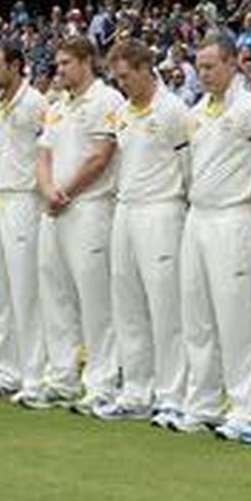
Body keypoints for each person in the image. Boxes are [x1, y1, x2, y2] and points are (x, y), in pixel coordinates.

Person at [176, 31, 251, 443]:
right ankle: (203, 403)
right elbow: (188, 169)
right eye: (199, 68)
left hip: (235, 217)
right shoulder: (197, 111)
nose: (204, 75)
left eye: (212, 66)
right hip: (198, 216)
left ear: (234, 63)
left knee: (238, 318)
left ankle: (249, 409)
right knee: (197, 316)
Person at [103, 39, 190, 424]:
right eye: (117, 78)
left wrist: (178, 208)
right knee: (128, 303)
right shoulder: (122, 112)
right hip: (126, 207)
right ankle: (136, 389)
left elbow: (188, 167)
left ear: (144, 68)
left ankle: (172, 393)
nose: (122, 84)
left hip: (162, 210)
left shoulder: (173, 110)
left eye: (126, 76)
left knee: (165, 306)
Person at [35, 37, 123, 412]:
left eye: (66, 63)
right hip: (54, 208)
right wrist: (47, 190)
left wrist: (63, 192)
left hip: (89, 206)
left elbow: (100, 157)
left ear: (87, 61)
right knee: (55, 293)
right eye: (57, 64)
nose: (60, 71)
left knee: (94, 297)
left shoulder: (107, 100)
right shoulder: (57, 105)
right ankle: (62, 377)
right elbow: (42, 154)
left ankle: (101, 382)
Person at [0, 43, 49, 404]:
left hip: (24, 200)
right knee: (2, 294)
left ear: (16, 66)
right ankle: (6, 374)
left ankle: (35, 377)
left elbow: (47, 155)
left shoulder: (36, 104)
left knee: (26, 291)